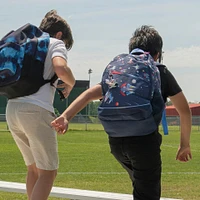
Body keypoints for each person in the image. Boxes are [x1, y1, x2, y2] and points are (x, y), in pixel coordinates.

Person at [51, 25, 192, 200]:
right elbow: (184, 111)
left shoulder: (119, 72)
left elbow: (88, 95)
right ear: (157, 53)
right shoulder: (159, 70)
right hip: (144, 142)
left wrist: (65, 116)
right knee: (147, 193)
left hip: (116, 142)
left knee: (140, 185)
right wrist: (184, 144)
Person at [5, 10, 75, 200]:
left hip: (12, 108)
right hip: (36, 110)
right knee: (48, 173)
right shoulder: (55, 42)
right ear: (60, 34)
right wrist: (71, 82)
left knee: (34, 170)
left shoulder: (27, 44)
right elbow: (60, 68)